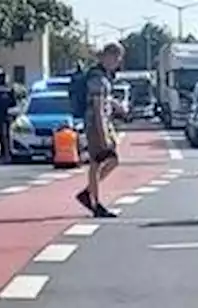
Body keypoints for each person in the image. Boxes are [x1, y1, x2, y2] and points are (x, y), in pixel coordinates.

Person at [77, 43, 125, 218]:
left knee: (107, 161)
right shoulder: (97, 78)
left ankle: (89, 194)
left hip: (101, 123)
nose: (117, 61)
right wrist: (103, 132)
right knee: (99, 162)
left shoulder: (103, 76)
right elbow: (97, 107)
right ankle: (94, 202)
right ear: (107, 56)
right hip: (96, 125)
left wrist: (115, 105)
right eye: (116, 57)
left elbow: (104, 101)